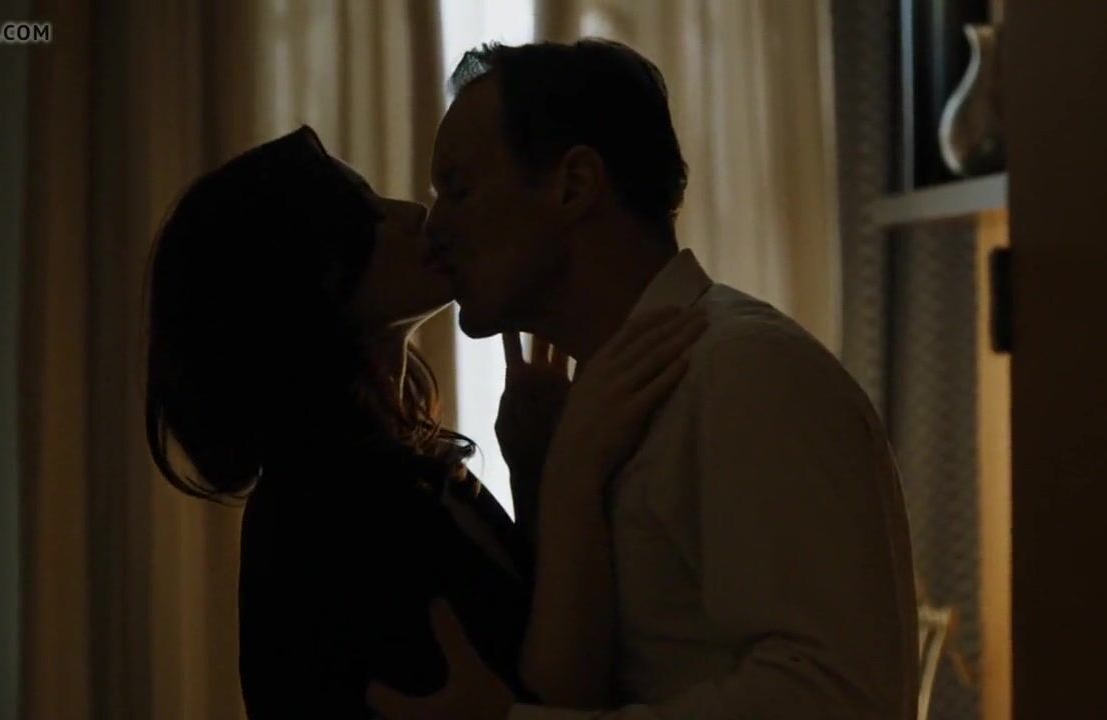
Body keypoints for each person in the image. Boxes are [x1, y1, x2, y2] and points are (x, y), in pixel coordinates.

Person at [371, 39, 919, 720]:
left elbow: (842, 698)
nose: (433, 231)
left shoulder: (747, 374)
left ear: (574, 186)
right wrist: (544, 480)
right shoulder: (608, 407)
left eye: (457, 190)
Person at [143, 126, 704, 718]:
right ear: (303, 284)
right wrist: (575, 469)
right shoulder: (323, 516)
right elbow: (563, 701)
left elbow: (531, 644)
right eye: (368, 215)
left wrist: (535, 470)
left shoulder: (406, 471)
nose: (418, 216)